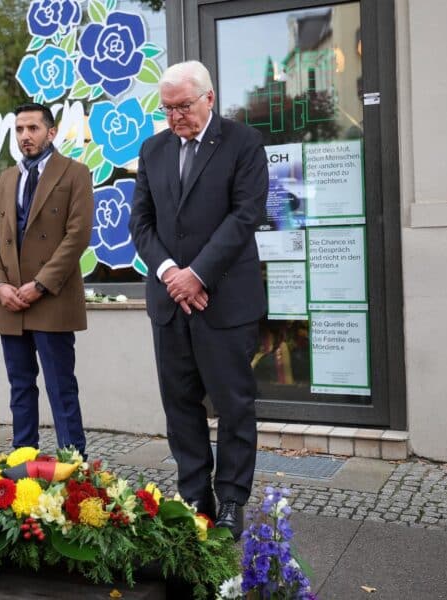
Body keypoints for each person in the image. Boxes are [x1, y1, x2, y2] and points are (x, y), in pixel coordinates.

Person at [128, 61, 268, 537]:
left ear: (209, 98)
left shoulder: (242, 144)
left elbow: (245, 216)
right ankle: (194, 497)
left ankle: (231, 499)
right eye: (166, 109)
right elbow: (140, 224)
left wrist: (199, 274)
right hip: (170, 303)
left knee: (233, 406)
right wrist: (171, 273)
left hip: (223, 302)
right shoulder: (153, 150)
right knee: (180, 406)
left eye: (182, 106)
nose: (174, 118)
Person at [0, 102, 94, 457]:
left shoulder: (75, 173)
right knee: (20, 388)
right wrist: (0, 286)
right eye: (19, 129)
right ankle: (23, 459)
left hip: (52, 298)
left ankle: (74, 465)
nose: (25, 136)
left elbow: (77, 236)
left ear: (51, 131)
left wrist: (40, 285)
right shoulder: (5, 179)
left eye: (32, 128)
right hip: (10, 302)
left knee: (61, 388)